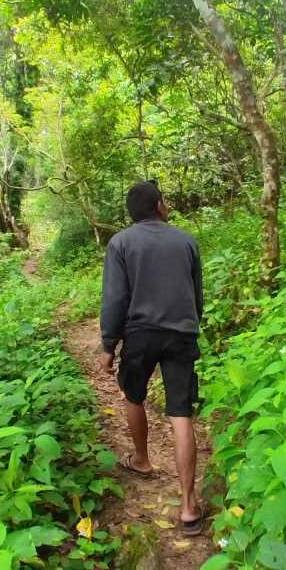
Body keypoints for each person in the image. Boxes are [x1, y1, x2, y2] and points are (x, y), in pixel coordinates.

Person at [98, 179, 205, 536]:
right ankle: (189, 506)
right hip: (181, 333)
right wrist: (190, 326)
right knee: (181, 413)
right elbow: (196, 294)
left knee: (133, 395)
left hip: (139, 334)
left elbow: (114, 297)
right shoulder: (186, 240)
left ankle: (142, 459)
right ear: (159, 205)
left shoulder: (121, 243)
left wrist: (108, 345)